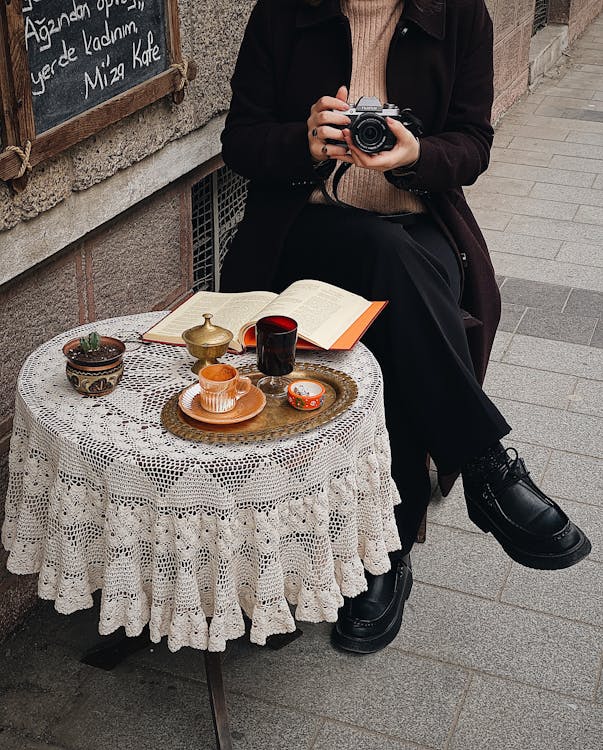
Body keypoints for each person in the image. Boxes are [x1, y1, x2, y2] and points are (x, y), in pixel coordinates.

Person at [219, 0, 591, 654]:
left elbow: (472, 142)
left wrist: (415, 153)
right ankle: (477, 468)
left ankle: (384, 552)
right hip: (302, 232)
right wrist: (302, 141)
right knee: (392, 270)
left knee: (399, 302)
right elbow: (240, 139)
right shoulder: (282, 12)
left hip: (420, 232)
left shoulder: (457, 15)